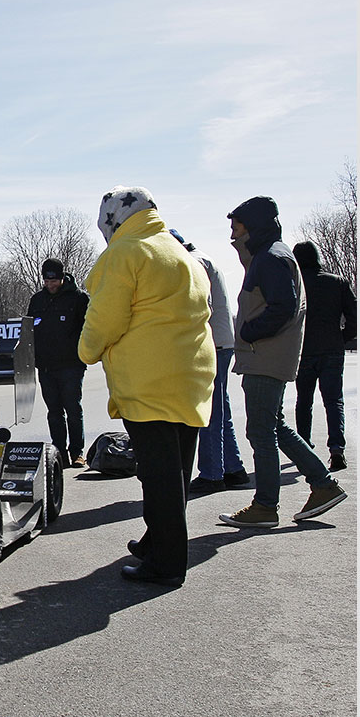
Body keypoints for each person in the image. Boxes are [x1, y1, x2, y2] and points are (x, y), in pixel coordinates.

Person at [78, 187, 215, 587]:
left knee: (158, 478)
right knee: (176, 473)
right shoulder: (180, 252)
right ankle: (158, 541)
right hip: (191, 377)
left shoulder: (126, 253)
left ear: (111, 221)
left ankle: (166, 564)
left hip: (150, 381)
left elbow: (105, 318)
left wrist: (86, 350)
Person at [219, 198, 349, 529]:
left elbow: (283, 306)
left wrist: (248, 331)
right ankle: (323, 484)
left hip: (266, 356)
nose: (232, 235)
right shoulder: (270, 255)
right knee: (275, 426)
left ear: (252, 227)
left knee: (260, 432)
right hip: (268, 355)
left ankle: (265, 506)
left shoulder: (271, 258)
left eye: (236, 228)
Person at [172, 231, 251, 494]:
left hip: (211, 345)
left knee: (208, 411)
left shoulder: (195, 263)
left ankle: (212, 473)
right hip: (222, 341)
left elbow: (198, 306)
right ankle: (233, 468)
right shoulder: (205, 258)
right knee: (220, 408)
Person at [292, 240, 356, 471]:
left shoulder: (297, 285)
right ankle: (337, 448)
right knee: (333, 400)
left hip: (304, 350)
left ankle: (304, 446)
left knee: (304, 401)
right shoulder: (337, 283)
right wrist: (343, 337)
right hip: (332, 348)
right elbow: (354, 314)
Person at [26, 259, 89, 467]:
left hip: (72, 364)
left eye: (54, 280)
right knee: (54, 411)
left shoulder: (78, 299)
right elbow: (28, 331)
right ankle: (60, 452)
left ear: (62, 278)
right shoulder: (37, 300)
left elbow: (89, 328)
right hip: (46, 366)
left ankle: (77, 452)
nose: (50, 284)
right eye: (46, 280)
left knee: (72, 408)